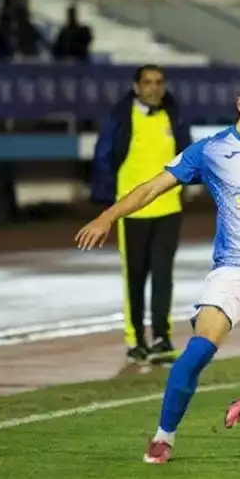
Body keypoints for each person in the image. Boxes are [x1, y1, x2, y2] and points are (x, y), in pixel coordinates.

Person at [74, 67, 240, 465]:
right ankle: (164, 437)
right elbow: (152, 187)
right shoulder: (212, 150)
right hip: (234, 270)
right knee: (197, 353)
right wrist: (106, 217)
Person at [91, 65, 192, 364]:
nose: (154, 88)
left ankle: (161, 337)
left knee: (163, 275)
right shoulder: (122, 117)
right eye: (147, 82)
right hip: (132, 211)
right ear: (136, 87)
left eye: (159, 82)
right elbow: (104, 155)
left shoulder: (174, 115)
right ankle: (136, 340)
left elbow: (187, 154)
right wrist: (107, 198)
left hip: (169, 207)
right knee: (134, 277)